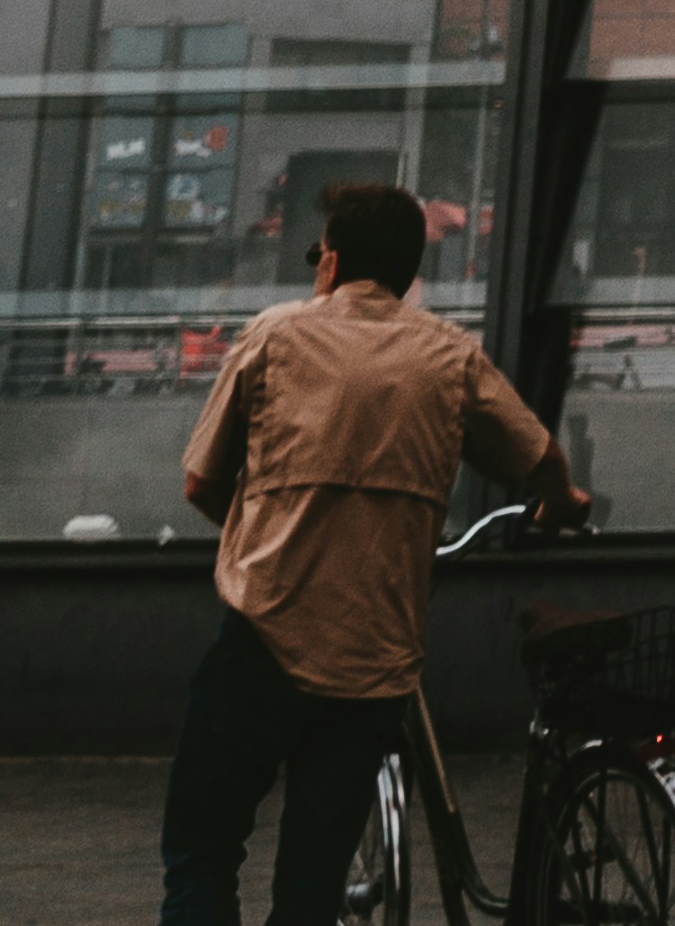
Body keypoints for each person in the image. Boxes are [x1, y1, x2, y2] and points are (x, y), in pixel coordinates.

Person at [161, 180, 578, 926]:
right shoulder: (449, 354)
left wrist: (265, 526)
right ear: (408, 272)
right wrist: (560, 503)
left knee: (203, 850)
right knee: (311, 887)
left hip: (263, 638)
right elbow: (541, 456)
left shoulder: (274, 335)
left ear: (331, 262)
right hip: (372, 661)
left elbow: (200, 483)